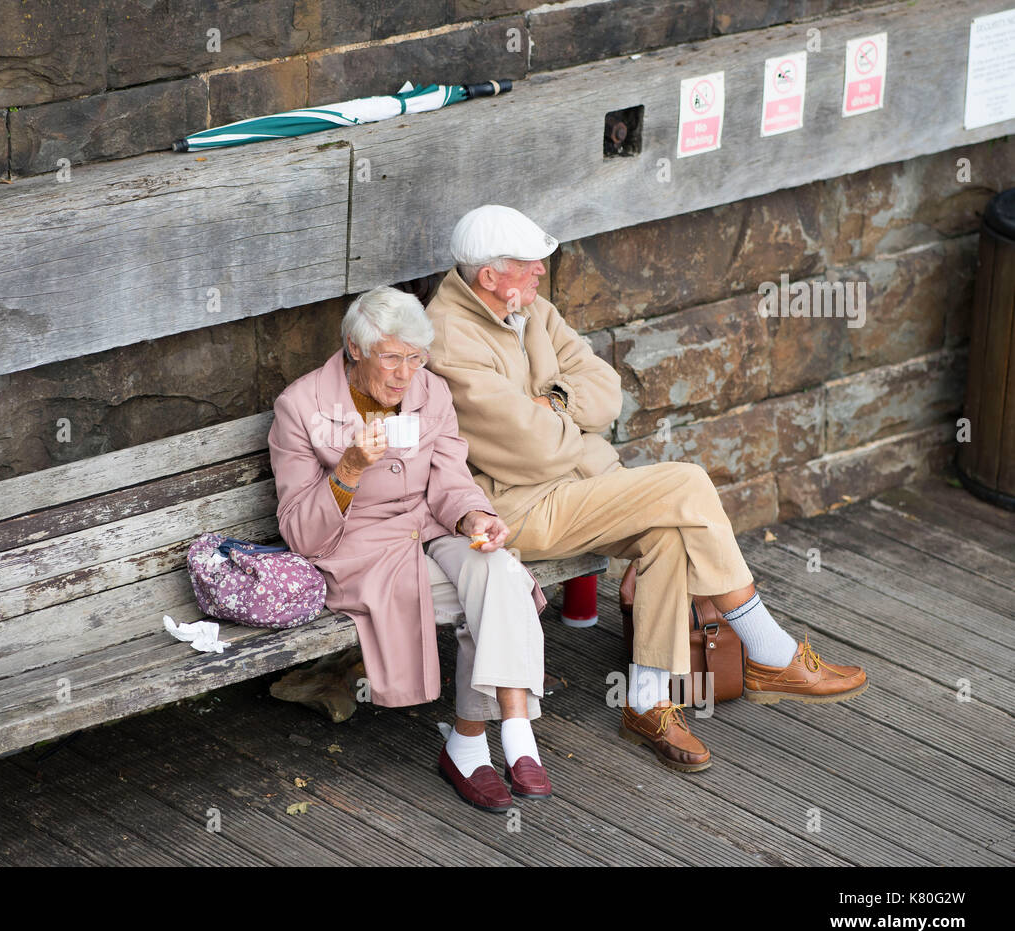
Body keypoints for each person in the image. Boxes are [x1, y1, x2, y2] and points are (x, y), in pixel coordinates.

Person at [425, 204, 868, 773]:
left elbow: (607, 393)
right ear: (491, 275)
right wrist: (567, 427)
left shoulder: (532, 309)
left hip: (583, 485)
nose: (542, 274)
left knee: (668, 533)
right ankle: (769, 650)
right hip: (519, 508)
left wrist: (554, 403)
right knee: (686, 482)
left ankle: (645, 703)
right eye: (532, 266)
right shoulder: (449, 339)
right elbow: (532, 449)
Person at [268, 285, 553, 811]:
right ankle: (484, 744)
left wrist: (477, 517)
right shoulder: (300, 406)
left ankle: (498, 738)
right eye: (393, 357)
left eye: (416, 357)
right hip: (362, 552)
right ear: (356, 349)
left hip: (428, 530)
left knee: (492, 562)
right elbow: (302, 535)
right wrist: (348, 470)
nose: (406, 374)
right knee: (500, 585)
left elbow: (451, 480)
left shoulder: (431, 392)